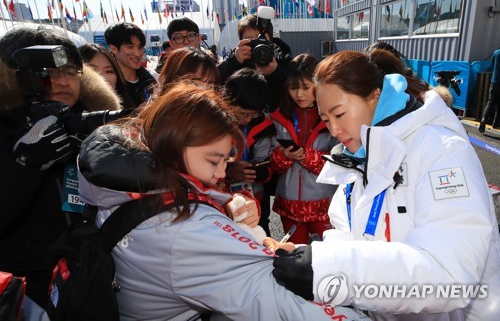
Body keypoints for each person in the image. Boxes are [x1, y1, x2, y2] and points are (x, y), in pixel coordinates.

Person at [76, 81, 358, 321]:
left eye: (226, 160)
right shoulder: (185, 230)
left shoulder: (130, 184)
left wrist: (225, 208)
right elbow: (279, 303)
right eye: (214, 160)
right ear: (173, 143)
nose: (222, 173)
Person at [271, 51, 500, 320]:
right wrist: (312, 257)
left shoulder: (442, 151)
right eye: (325, 119)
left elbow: (450, 276)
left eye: (340, 114)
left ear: (375, 96)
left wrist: (329, 268)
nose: (333, 130)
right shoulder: (356, 160)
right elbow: (352, 237)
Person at [0, 26, 122, 308]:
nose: (63, 81)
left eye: (70, 71)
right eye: (49, 72)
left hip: (89, 269)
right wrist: (24, 164)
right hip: (23, 288)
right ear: (13, 77)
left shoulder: (92, 122)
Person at [269, 54, 338, 244]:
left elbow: (340, 161)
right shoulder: (277, 118)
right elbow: (270, 164)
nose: (299, 94)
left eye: (306, 88)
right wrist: (283, 155)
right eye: (293, 88)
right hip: (289, 205)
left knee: (327, 257)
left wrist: (308, 157)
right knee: (296, 257)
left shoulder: (333, 116)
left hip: (325, 203)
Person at [222, 68, 277, 234]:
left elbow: (268, 162)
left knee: (260, 231)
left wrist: (260, 170)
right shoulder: (214, 123)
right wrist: (230, 170)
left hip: (257, 197)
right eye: (241, 113)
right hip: (223, 197)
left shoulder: (264, 126)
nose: (246, 119)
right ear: (227, 101)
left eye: (252, 115)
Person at [217, 13, 292, 112]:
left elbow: (297, 91)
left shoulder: (283, 60)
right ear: (241, 42)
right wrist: (234, 62)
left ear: (270, 39)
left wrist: (275, 72)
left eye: (260, 38)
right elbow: (213, 81)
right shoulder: (236, 61)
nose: (257, 43)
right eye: (250, 40)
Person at [104, 22, 157, 107]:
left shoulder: (152, 80)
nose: (137, 53)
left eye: (140, 47)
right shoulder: (106, 83)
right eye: (130, 47)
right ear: (113, 49)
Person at [78, 43, 135, 108]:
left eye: (109, 71)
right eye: (93, 70)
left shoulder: (130, 112)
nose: (102, 77)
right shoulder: (69, 114)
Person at [479, 48, 500, 132]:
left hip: (495, 81)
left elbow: (492, 65)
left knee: (491, 101)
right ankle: (496, 122)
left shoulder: (496, 52)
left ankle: (483, 119)